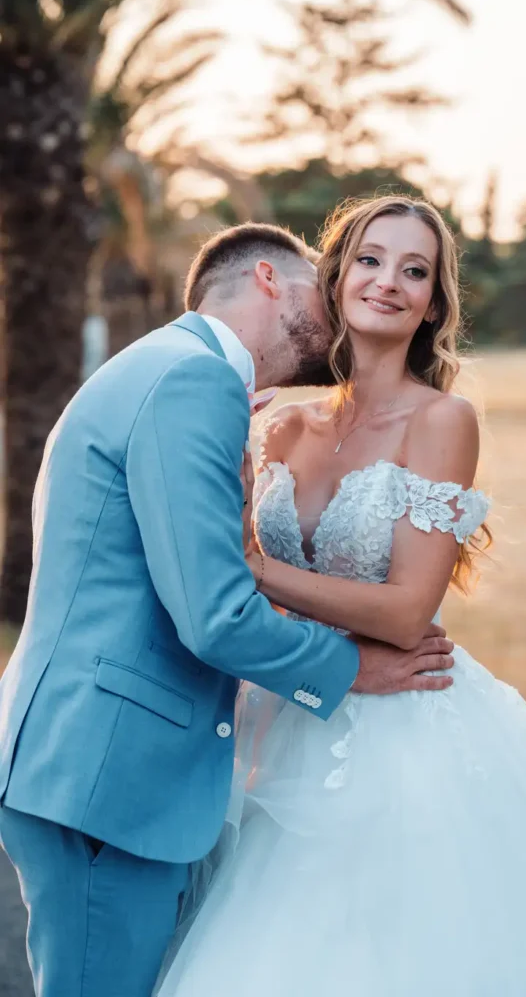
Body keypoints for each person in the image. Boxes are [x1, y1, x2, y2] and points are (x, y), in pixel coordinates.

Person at [157, 196, 526, 997]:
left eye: (415, 271)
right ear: (336, 278)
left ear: (434, 302)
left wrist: (257, 570)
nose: (388, 282)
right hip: (281, 713)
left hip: (398, 727)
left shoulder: (442, 421)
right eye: (370, 260)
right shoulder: (281, 430)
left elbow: (407, 611)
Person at [0, 222, 455, 997]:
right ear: (271, 282)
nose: (351, 296)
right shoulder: (191, 381)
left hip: (99, 762)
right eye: (329, 278)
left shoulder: (165, 369)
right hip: (111, 779)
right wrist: (353, 670)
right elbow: (214, 615)